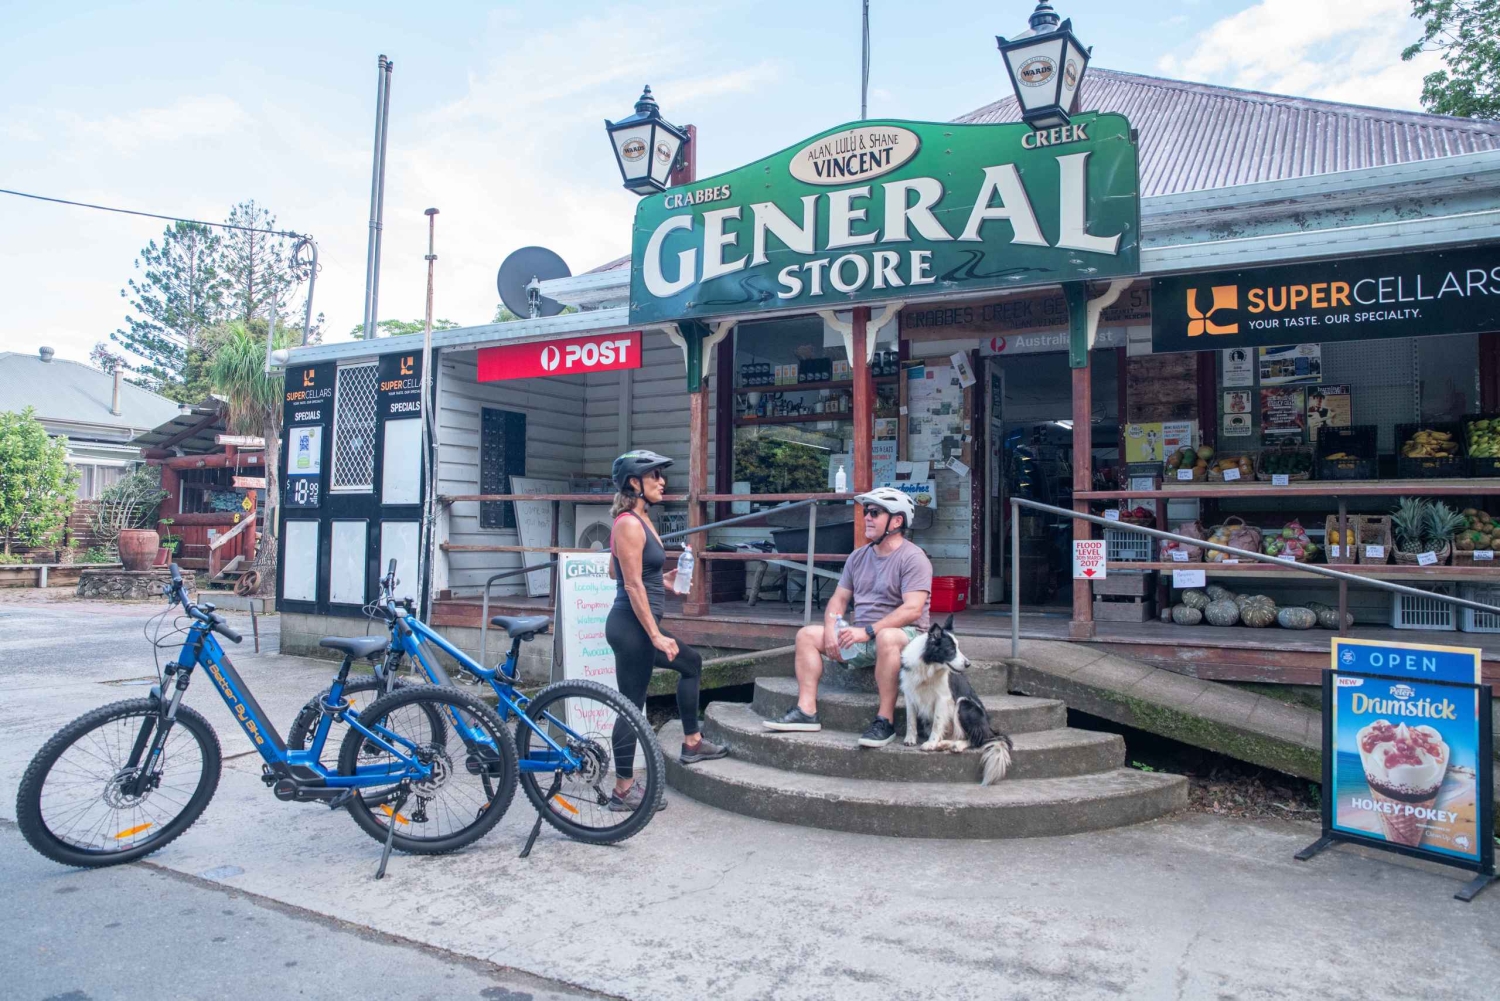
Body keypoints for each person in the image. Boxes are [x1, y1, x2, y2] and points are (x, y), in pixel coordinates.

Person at [605, 449, 728, 812]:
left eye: (662, 475)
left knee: (691, 664)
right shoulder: (628, 522)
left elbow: (624, 573)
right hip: (632, 628)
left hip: (640, 625)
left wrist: (666, 577)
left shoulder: (641, 520)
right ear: (634, 482)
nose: (663, 482)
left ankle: (692, 742)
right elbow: (629, 585)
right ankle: (623, 790)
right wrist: (656, 635)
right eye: (655, 475)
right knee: (631, 706)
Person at [762, 486, 932, 747]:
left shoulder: (913, 558)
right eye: (866, 512)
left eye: (875, 512)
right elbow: (839, 599)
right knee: (807, 635)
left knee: (887, 636)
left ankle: (884, 721)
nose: (867, 518)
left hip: (907, 638)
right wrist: (831, 627)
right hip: (863, 635)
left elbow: (913, 609)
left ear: (897, 521)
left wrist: (867, 631)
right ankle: (806, 712)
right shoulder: (858, 557)